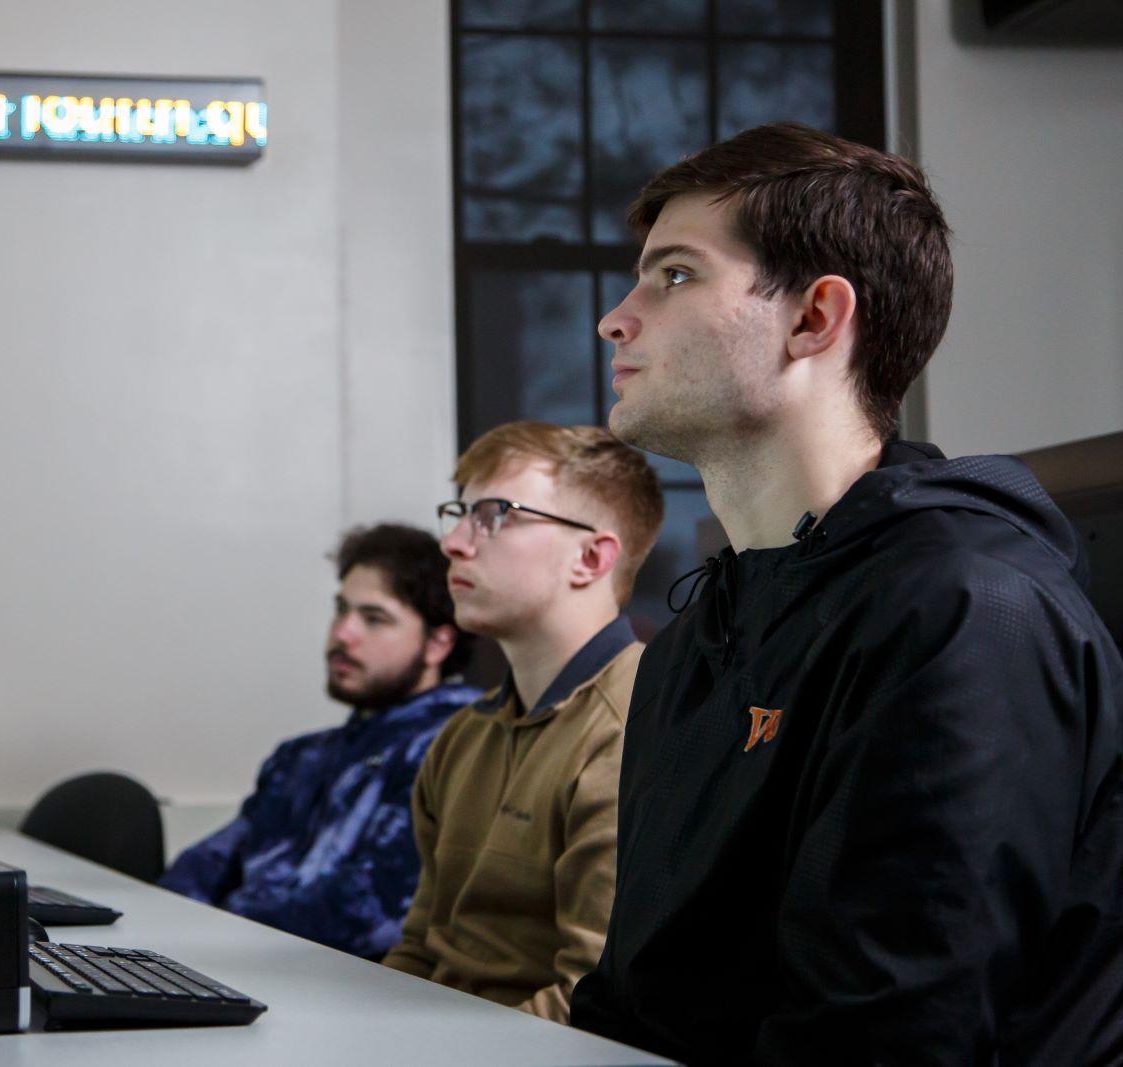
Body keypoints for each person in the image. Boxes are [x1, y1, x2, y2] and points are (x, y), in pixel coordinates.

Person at [571, 122, 1123, 1065]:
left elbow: (892, 1038)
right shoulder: (694, 639)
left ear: (815, 319)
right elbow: (637, 999)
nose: (614, 318)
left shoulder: (963, 612)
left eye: (673, 276)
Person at [382, 422, 663, 1024]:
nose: (453, 542)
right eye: (460, 513)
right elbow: (419, 953)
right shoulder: (463, 737)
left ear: (590, 558)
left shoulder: (637, 729)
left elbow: (590, 1003)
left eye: (494, 514)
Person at [159, 523, 479, 958]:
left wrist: (212, 943)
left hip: (340, 995)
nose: (343, 634)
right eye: (341, 610)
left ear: (438, 643)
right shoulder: (302, 757)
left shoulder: (454, 747)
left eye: (374, 618)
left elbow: (362, 920)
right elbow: (198, 872)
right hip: (237, 970)